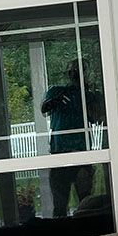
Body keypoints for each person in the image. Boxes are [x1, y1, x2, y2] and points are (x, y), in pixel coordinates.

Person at [41, 61, 103, 217]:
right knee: (60, 206)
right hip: (60, 154)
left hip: (82, 154)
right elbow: (45, 109)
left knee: (85, 205)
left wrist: (88, 97)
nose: (76, 74)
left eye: (80, 71)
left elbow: (98, 117)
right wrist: (59, 98)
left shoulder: (88, 95)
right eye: (73, 71)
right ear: (68, 74)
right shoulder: (56, 91)